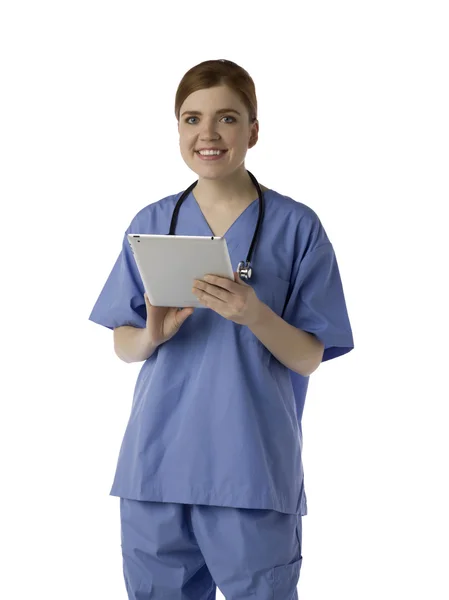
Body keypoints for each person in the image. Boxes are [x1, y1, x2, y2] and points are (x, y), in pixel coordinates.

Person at [88, 59, 354, 599]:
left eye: (227, 118)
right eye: (191, 119)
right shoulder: (152, 222)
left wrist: (253, 313)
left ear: (253, 130)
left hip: (249, 470)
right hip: (155, 468)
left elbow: (308, 356)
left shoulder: (297, 226)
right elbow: (124, 340)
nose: (207, 134)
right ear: (179, 129)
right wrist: (151, 337)